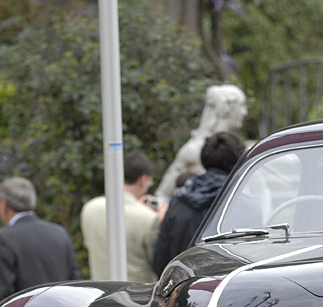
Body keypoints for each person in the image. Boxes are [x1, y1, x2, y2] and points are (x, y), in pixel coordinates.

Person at [152, 131, 246, 278]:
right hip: (227, 290)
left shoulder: (179, 199)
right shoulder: (243, 202)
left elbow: (160, 258)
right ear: (240, 159)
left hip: (181, 288)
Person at [0, 177, 80, 307]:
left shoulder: (4, 238)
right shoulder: (59, 232)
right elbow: (74, 282)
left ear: (4, 204)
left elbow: (0, 294)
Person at [152, 84, 247, 202]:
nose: (244, 112)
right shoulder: (193, 150)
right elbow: (162, 195)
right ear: (226, 108)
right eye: (241, 106)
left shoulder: (242, 148)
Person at [80, 151, 163, 283]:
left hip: (100, 292)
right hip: (138, 296)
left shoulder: (90, 208)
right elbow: (158, 261)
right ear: (143, 180)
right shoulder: (149, 218)